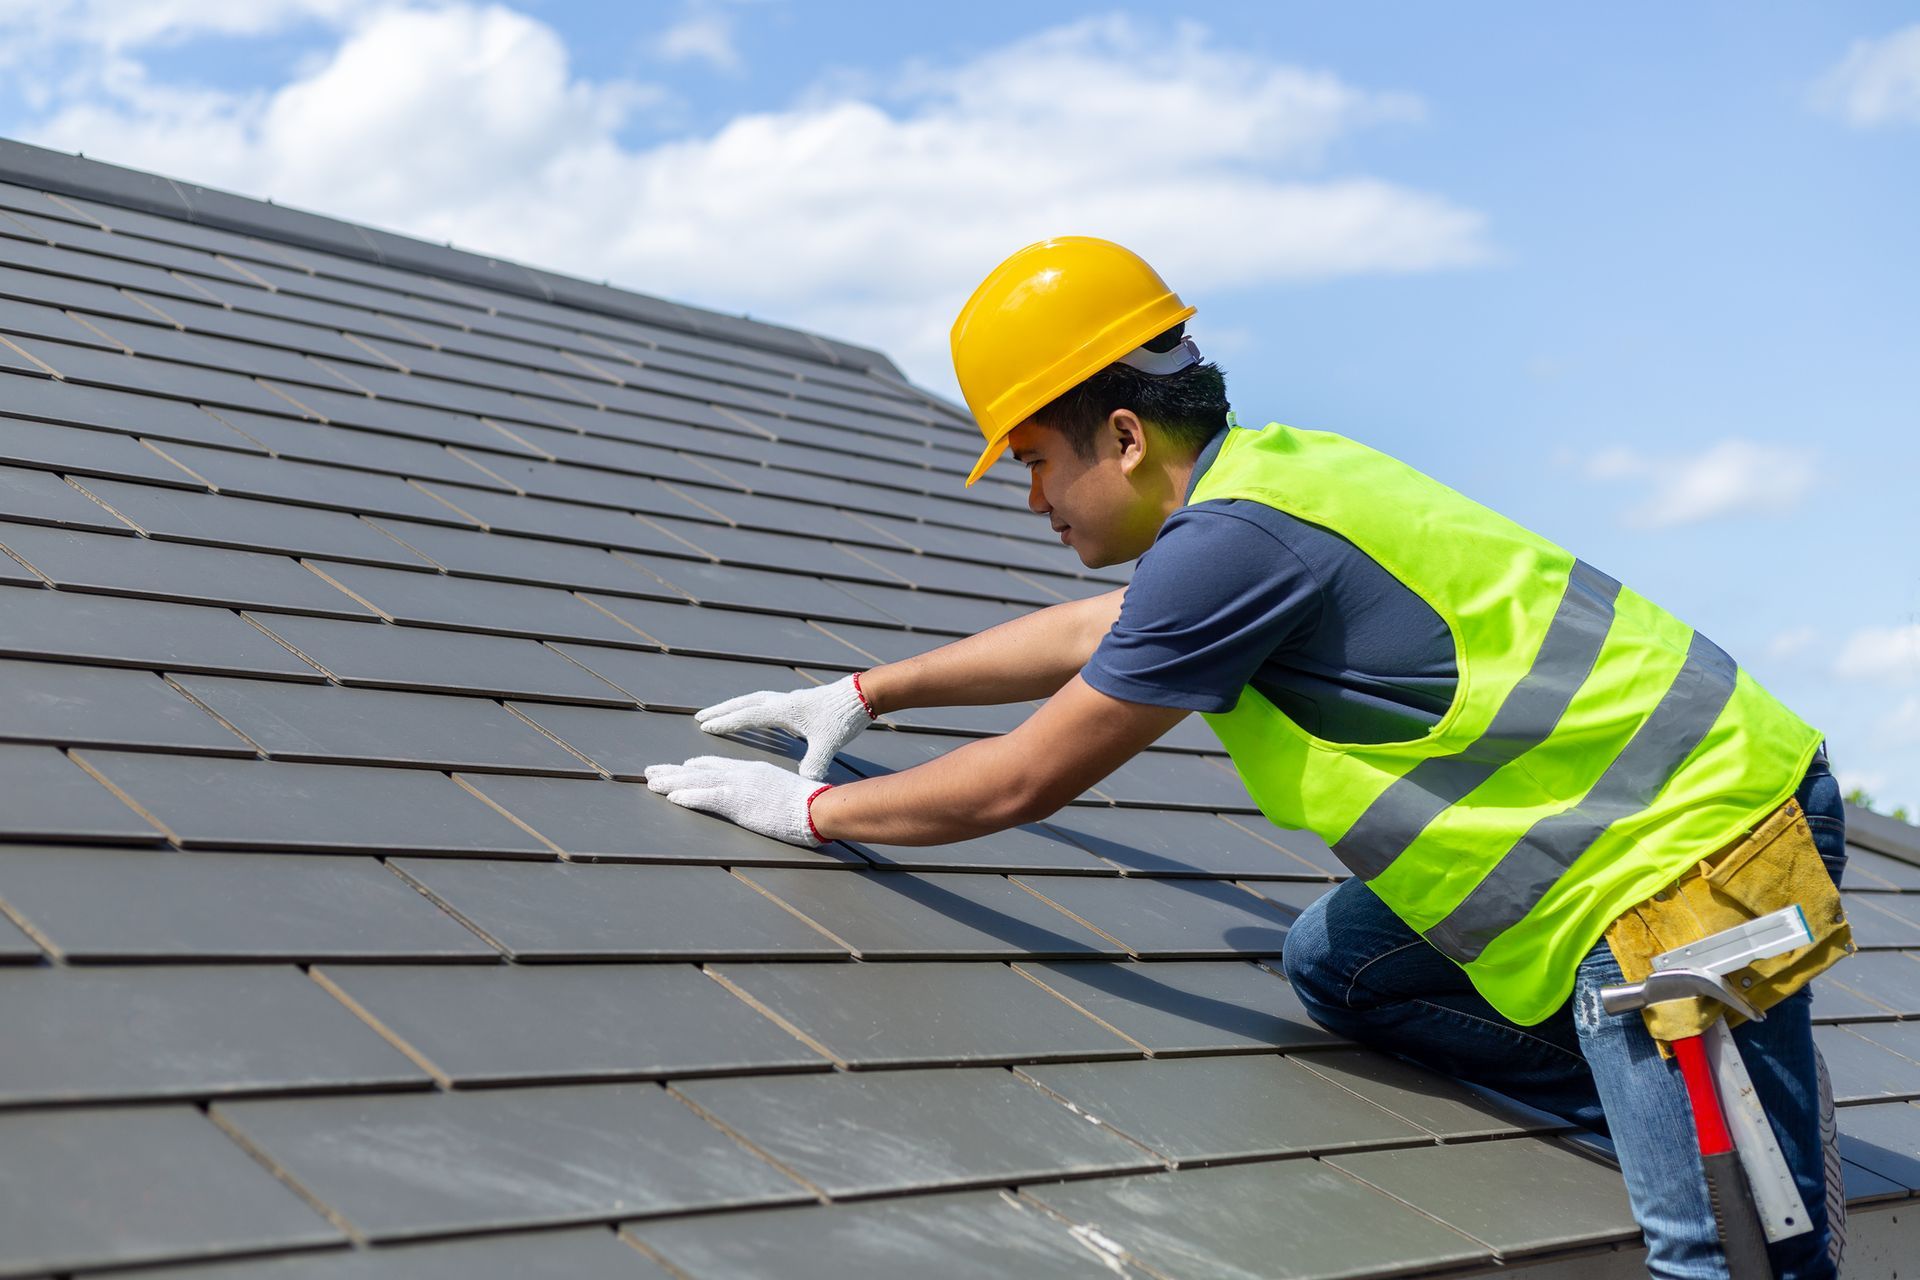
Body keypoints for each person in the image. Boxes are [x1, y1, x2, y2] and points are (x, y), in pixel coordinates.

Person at [644, 237, 1850, 1280]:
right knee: (1340, 965)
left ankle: (1723, 1143)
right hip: (1628, 834)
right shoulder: (1263, 485)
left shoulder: (1234, 543)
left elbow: (1022, 780)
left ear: (1119, 435)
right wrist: (864, 692)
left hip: (1690, 860)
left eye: (1033, 459)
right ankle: (1687, 1111)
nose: (1031, 498)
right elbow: (1091, 632)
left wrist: (809, 815)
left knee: (1731, 1254)